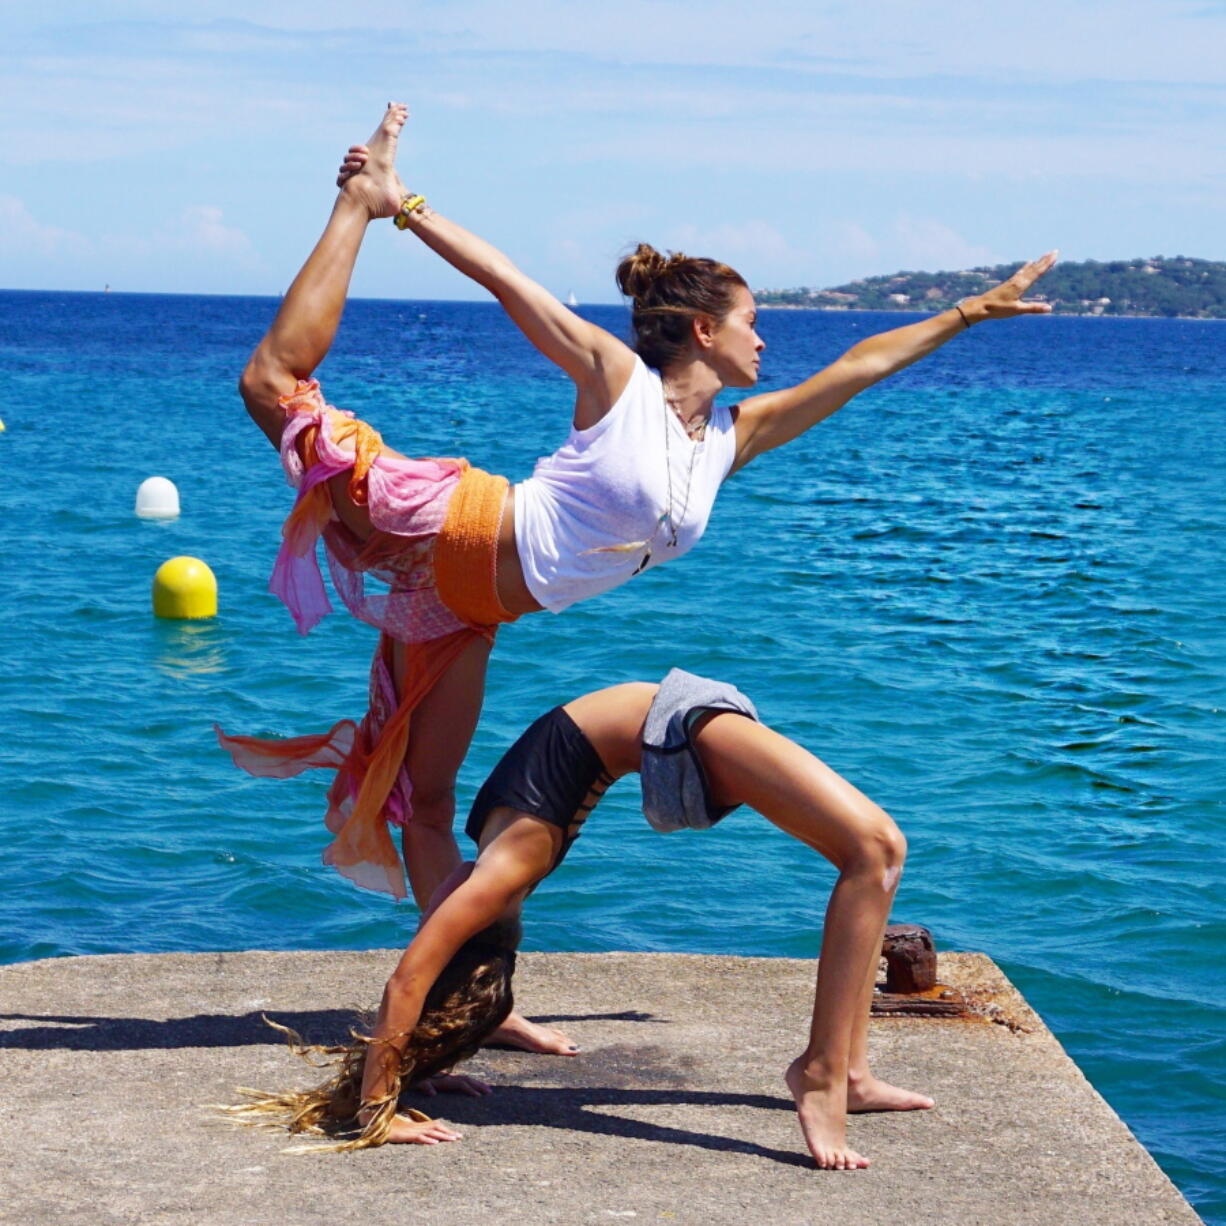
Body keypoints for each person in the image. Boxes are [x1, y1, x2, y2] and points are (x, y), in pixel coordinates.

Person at [218, 99, 1052, 1045]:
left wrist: (968, 314)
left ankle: (476, 1003)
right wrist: (402, 204)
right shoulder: (616, 382)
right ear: (701, 330)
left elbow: (857, 367)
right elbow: (509, 282)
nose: (763, 340)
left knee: (431, 800)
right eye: (752, 322)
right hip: (451, 525)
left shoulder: (729, 442)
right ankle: (356, 203)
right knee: (270, 387)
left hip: (467, 610)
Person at [226, 669, 927, 1170]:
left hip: (668, 725)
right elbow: (432, 967)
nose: (440, 908)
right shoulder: (493, 876)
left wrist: (390, 1091)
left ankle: (848, 1072)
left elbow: (411, 981)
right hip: (670, 729)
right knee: (875, 850)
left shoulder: (494, 882)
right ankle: (827, 1072)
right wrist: (423, 1062)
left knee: (874, 851)